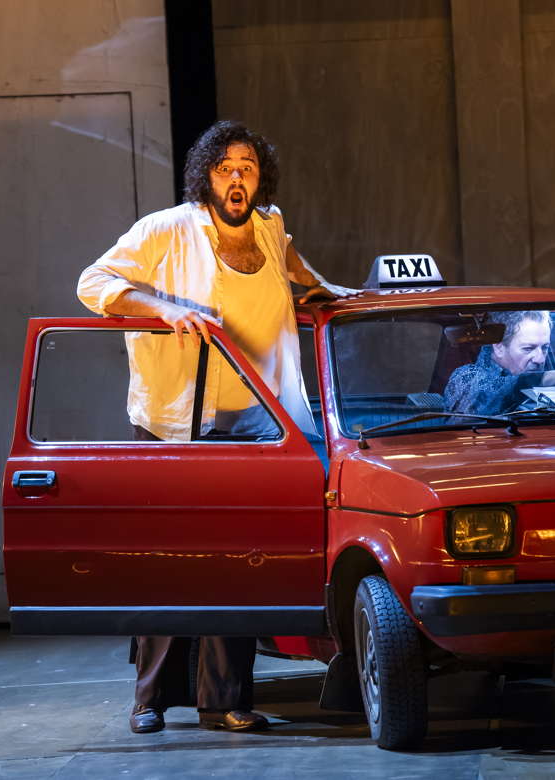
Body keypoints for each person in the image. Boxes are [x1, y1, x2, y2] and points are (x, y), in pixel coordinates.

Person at [77, 120, 358, 734]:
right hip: (176, 420)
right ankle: (150, 700)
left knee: (238, 562)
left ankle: (224, 700)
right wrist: (162, 307)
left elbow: (298, 272)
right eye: (226, 167)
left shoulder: (269, 224)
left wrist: (334, 293)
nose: (238, 178)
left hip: (255, 420)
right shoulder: (167, 228)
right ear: (206, 174)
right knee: (168, 564)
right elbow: (93, 282)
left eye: (248, 167)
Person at [443, 310, 555, 415]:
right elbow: (501, 390)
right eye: (528, 349)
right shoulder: (465, 378)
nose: (540, 359)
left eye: (545, 347)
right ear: (499, 347)